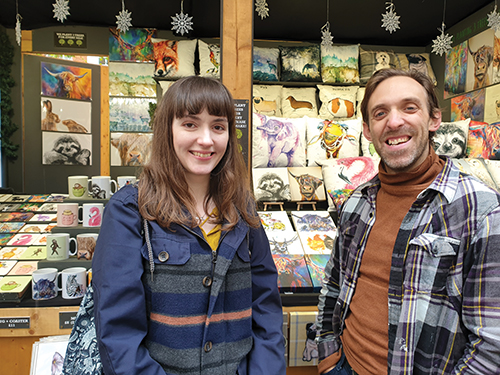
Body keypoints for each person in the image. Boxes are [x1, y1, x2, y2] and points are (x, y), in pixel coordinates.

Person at [92, 76, 286, 375]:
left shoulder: (243, 210)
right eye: (190, 124)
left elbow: (266, 309)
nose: (206, 139)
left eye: (218, 127)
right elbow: (119, 334)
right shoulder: (130, 211)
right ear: (167, 129)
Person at [315, 68, 500, 375]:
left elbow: (492, 342)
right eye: (380, 113)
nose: (394, 121)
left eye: (409, 107)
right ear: (366, 129)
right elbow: (334, 286)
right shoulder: (357, 203)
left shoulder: (480, 209)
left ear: (434, 119)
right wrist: (327, 357)